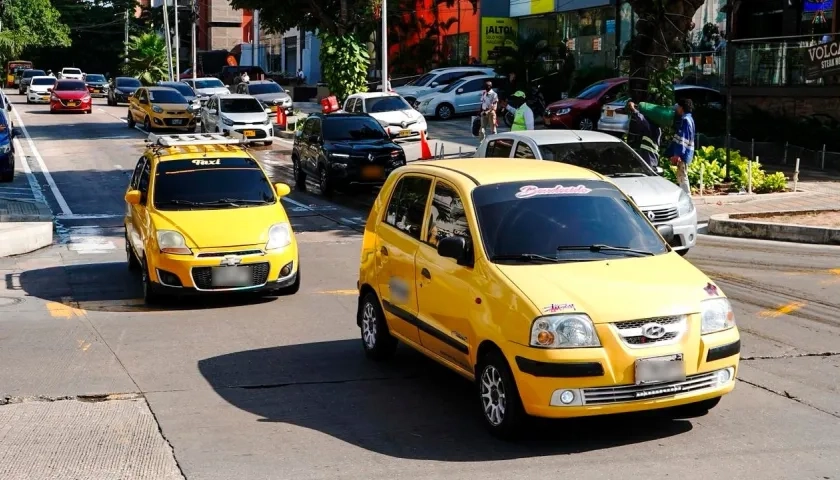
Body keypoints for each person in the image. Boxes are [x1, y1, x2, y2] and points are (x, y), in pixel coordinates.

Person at [666, 98, 696, 194]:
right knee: (681, 176)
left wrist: (677, 154)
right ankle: (686, 197)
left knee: (682, 177)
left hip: (683, 154)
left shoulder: (686, 120)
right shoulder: (689, 119)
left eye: (678, 106)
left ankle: (687, 198)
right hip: (685, 153)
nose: (676, 108)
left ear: (681, 108)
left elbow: (683, 139)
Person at [626, 101, 662, 169]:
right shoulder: (656, 127)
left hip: (650, 162)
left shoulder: (653, 128)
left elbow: (642, 120)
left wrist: (633, 109)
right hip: (649, 160)